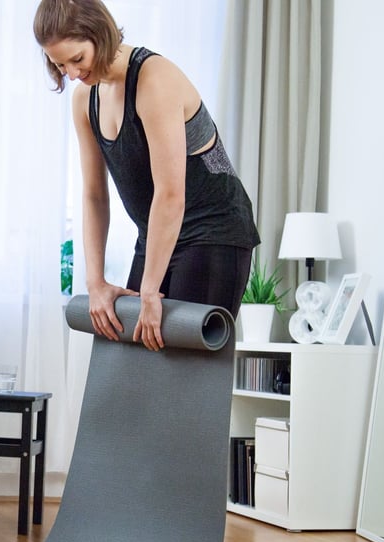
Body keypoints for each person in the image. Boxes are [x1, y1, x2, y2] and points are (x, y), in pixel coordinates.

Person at [33, 0, 260, 352]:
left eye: (77, 59)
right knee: (136, 360)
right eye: (60, 64)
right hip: (157, 231)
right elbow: (94, 195)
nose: (72, 73)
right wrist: (96, 282)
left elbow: (171, 193)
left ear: (101, 34)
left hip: (214, 228)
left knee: (184, 368)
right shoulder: (84, 100)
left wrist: (151, 291)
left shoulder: (154, 79)